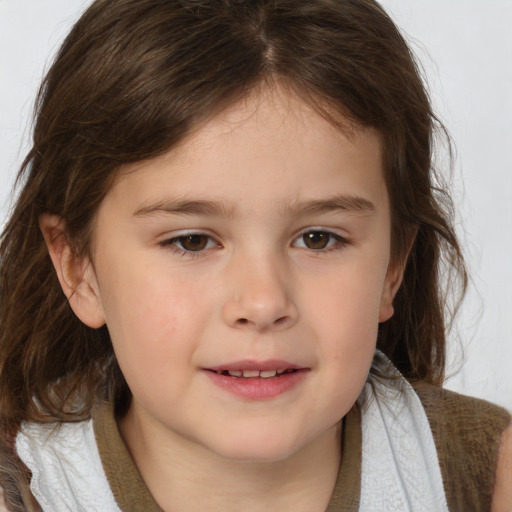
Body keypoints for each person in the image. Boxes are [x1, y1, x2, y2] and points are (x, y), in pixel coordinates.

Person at [0, 0, 511, 510]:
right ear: (78, 268)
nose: (264, 303)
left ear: (393, 266)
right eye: (192, 241)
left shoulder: (495, 477)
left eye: (318, 238)